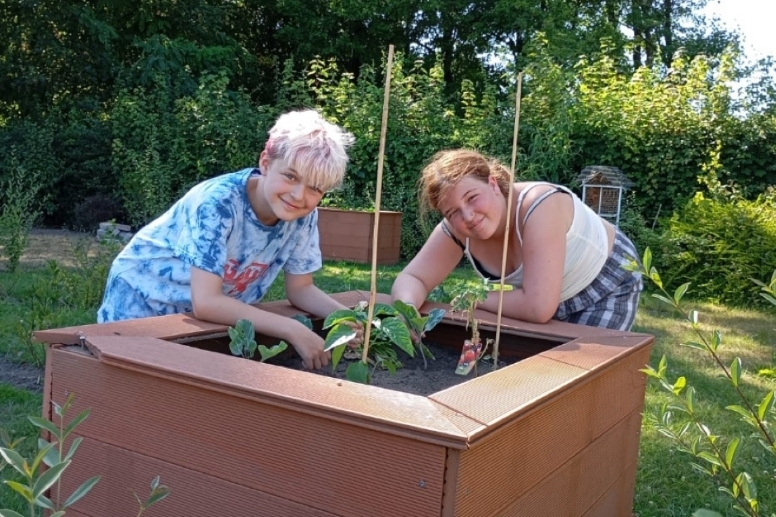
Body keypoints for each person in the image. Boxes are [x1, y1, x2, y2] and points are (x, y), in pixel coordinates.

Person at [98, 109, 362, 369]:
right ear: (266, 163)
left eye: (315, 188)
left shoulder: (303, 216)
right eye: (290, 176)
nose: (298, 195)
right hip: (142, 300)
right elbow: (207, 302)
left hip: (196, 316)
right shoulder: (218, 203)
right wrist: (292, 329)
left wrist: (346, 317)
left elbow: (301, 288)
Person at [391, 149, 643, 331]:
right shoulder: (456, 229)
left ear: (492, 183)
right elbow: (413, 278)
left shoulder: (539, 206)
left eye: (471, 197)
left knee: (579, 383)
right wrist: (408, 311)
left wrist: (472, 298)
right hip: (548, 297)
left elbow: (537, 308)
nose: (467, 216)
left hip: (606, 283)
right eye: (452, 211)